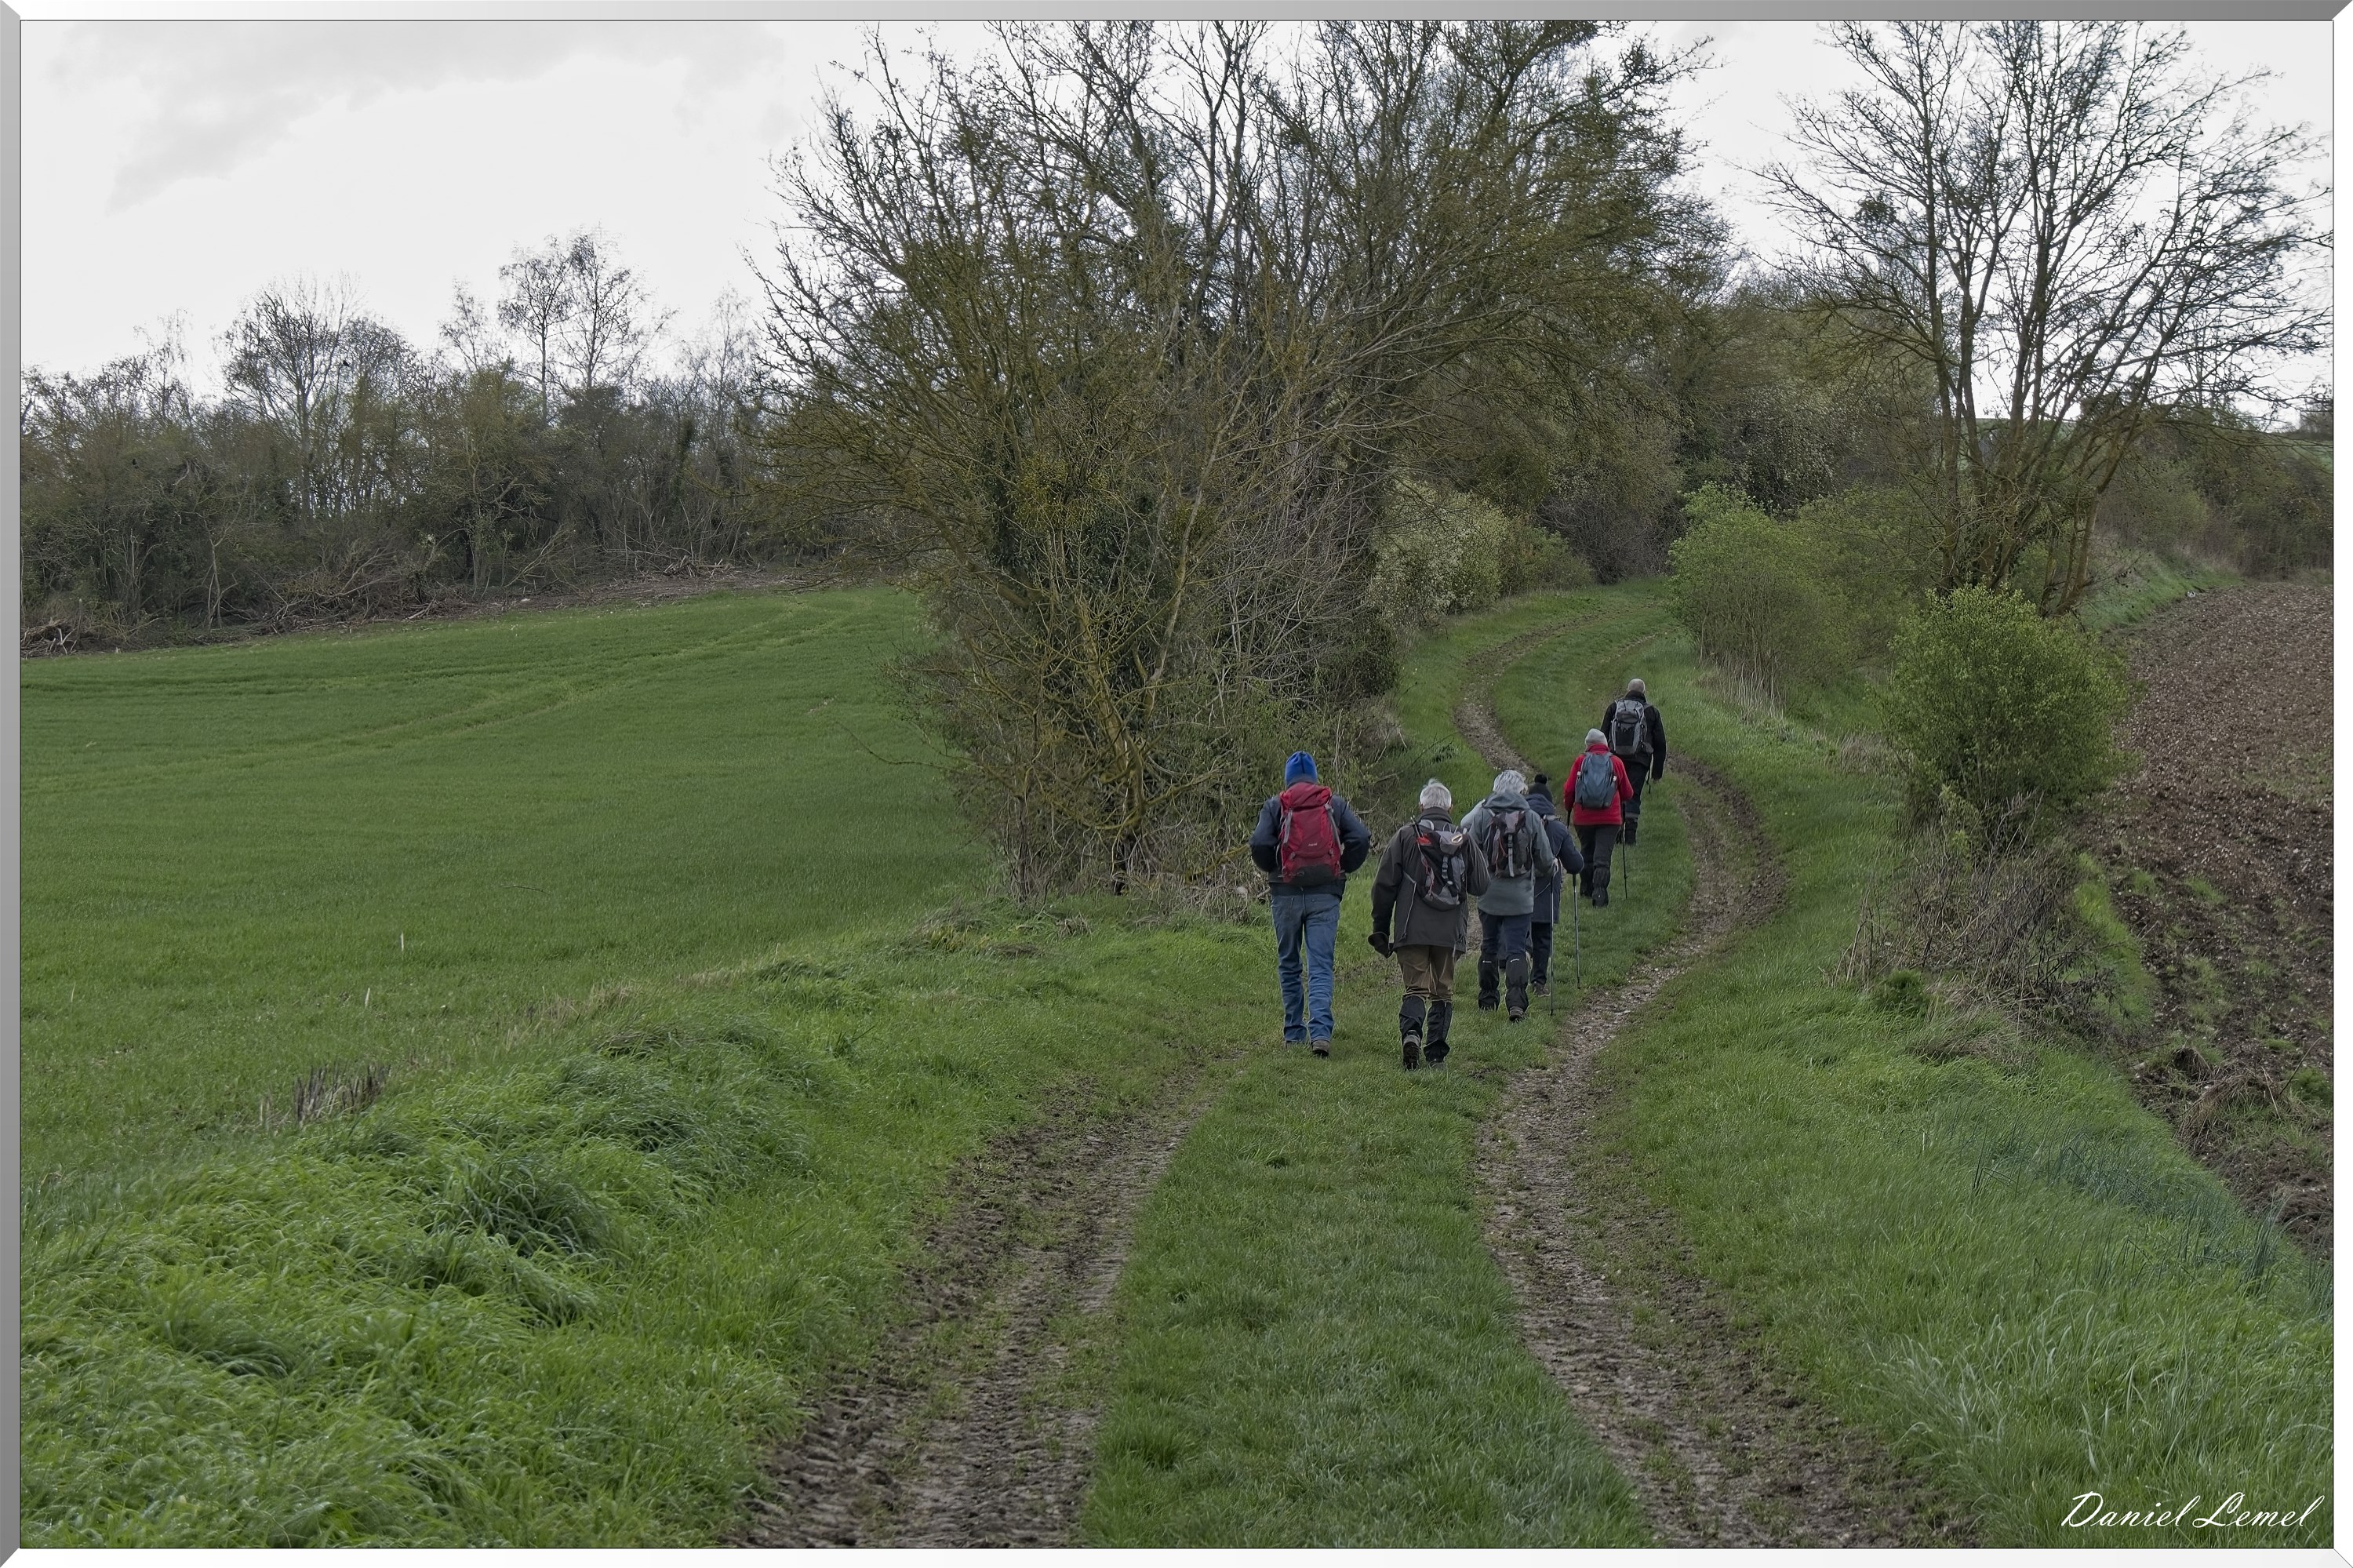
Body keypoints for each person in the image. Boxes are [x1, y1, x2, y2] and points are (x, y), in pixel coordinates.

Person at [1249, 751, 1373, 1057]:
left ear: (1288, 779)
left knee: (1289, 963)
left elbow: (1259, 844)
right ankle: (1320, 1034)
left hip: (1285, 894)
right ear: (1314, 777)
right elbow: (1361, 837)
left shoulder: (1276, 805)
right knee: (1320, 966)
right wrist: (1341, 866)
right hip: (1325, 894)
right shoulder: (1334, 804)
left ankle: (1294, 1033)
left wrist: (1276, 870)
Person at [1368, 780, 1491, 1070]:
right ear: (1450, 808)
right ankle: (1436, 1054)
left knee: (1415, 989)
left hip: (1412, 928)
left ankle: (1411, 1035)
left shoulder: (1405, 837)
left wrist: (1381, 928)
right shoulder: (1464, 839)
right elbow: (1481, 884)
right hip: (1450, 932)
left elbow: (1383, 886)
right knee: (1443, 990)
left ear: (1421, 806)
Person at [1461, 769, 1559, 1022]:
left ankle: (1487, 999)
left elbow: (1470, 852)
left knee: (1489, 946)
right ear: (1521, 791)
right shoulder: (1530, 817)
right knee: (1516, 948)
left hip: (1489, 895)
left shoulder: (1483, 815)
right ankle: (1516, 1004)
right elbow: (1545, 860)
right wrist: (1548, 869)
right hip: (1521, 898)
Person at [1523, 779, 1584, 997]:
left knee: (1519, 932)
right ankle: (1538, 983)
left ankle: (1516, 975)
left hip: (1519, 892)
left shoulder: (1517, 823)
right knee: (1543, 939)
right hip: (1546, 895)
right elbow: (1576, 865)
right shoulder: (1558, 829)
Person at [1569, 729, 1634, 907]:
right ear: (1606, 744)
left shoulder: (1581, 761)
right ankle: (1600, 895)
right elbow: (1628, 793)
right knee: (1602, 858)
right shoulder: (1616, 762)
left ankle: (1586, 889)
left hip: (1583, 818)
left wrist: (1569, 807)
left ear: (1587, 745)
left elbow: (1569, 790)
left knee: (1587, 852)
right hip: (1610, 820)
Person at [1599, 678, 1667, 845]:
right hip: (1640, 760)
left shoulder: (1614, 707)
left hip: (1615, 759)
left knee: (1615, 794)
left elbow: (1602, 736)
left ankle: (1616, 833)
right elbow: (1660, 744)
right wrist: (1656, 773)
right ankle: (1630, 836)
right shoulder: (1651, 711)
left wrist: (1602, 762)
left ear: (1627, 690)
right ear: (1644, 692)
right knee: (1633, 794)